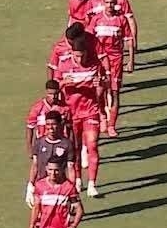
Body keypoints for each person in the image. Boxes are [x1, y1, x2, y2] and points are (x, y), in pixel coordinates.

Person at [53, 36, 107, 197]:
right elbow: (54, 87)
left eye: (82, 55)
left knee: (92, 144)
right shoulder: (64, 65)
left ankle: (92, 184)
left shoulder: (95, 64)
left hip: (90, 110)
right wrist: (63, 83)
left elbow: (103, 85)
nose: (79, 58)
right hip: (71, 112)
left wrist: (101, 85)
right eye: (76, 55)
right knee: (74, 148)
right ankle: (77, 179)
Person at [88, 0, 136, 137]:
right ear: (103, 3)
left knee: (114, 93)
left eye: (112, 3)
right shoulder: (96, 20)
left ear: (116, 4)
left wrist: (131, 61)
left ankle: (111, 125)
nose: (109, 5)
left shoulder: (121, 20)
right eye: (107, 2)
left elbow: (129, 40)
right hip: (99, 61)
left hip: (115, 61)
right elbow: (89, 40)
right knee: (98, 92)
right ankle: (102, 114)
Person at [26, 110, 78, 205]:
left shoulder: (67, 144)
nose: (51, 127)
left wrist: (72, 186)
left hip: (59, 185)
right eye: (48, 124)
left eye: (53, 124)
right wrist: (30, 184)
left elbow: (70, 168)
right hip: (42, 184)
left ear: (59, 124)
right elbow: (35, 165)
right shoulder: (39, 142)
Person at [25, 79, 71, 158]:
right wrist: (29, 148)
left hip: (60, 145)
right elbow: (30, 127)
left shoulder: (64, 109)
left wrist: (70, 145)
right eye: (50, 94)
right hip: (42, 144)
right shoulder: (37, 107)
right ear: (46, 92)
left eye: (56, 94)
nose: (53, 97)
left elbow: (69, 128)